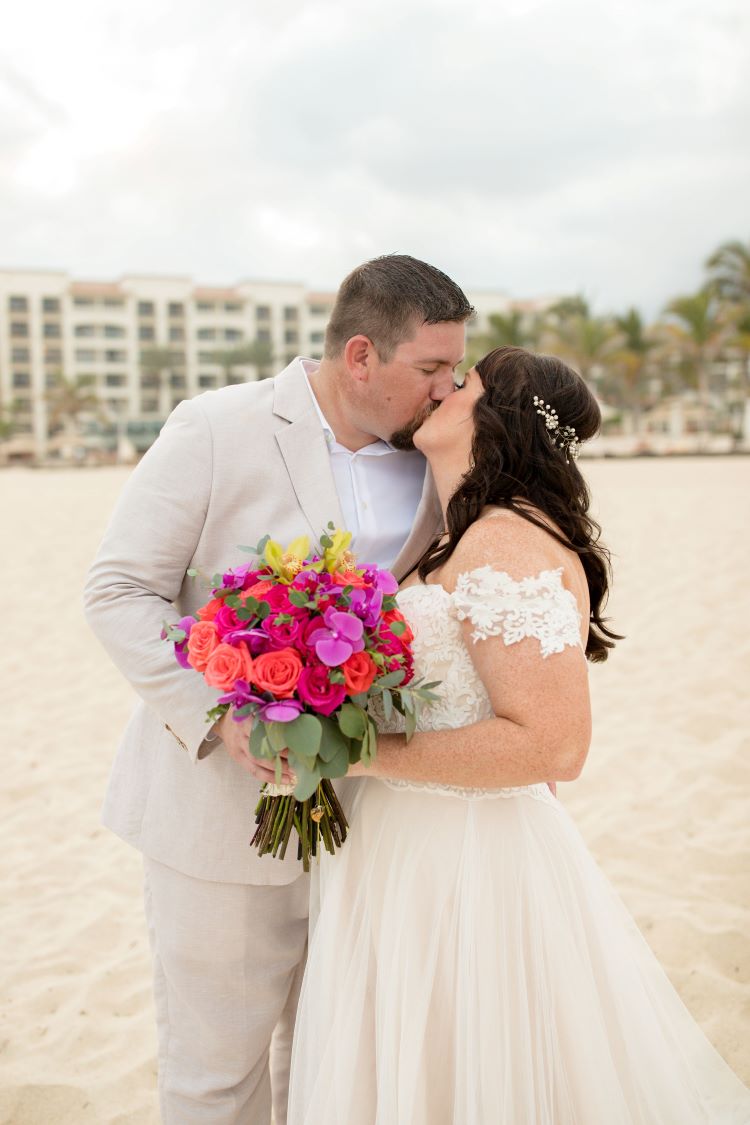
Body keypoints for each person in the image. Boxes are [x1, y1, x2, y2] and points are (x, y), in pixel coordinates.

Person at [287, 346, 750, 1124]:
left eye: (460, 382)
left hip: (465, 862)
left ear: (497, 414)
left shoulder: (503, 538)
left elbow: (552, 745)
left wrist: (360, 752)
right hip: (412, 846)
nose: (440, 389)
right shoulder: (469, 532)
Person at [83, 254, 474, 1124]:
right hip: (216, 817)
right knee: (216, 1074)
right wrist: (221, 714)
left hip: (372, 823)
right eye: (432, 369)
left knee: (332, 1064)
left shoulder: (443, 459)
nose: (450, 389)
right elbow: (117, 591)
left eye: (458, 369)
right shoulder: (217, 427)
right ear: (362, 355)